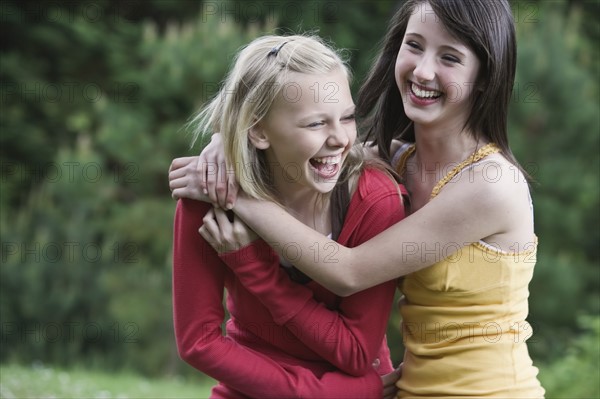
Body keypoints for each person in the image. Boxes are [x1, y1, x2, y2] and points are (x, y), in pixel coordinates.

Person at [169, 0, 545, 397]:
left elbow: (348, 272)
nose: (423, 70)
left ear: (486, 76)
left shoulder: (490, 185)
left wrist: (239, 198)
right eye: (414, 45)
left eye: (449, 57)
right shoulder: (397, 160)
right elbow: (301, 149)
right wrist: (223, 146)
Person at [171, 33, 408, 398]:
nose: (340, 140)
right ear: (258, 131)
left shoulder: (375, 200)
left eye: (346, 117)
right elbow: (198, 342)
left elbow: (356, 352)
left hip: (356, 386)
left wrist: (256, 268)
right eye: (315, 124)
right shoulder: (209, 194)